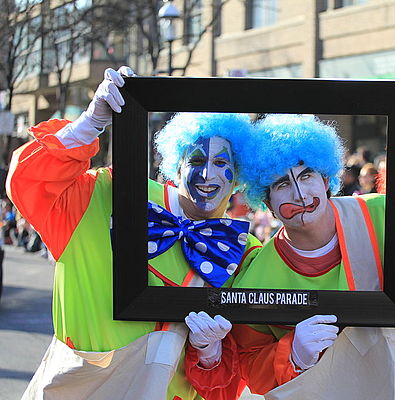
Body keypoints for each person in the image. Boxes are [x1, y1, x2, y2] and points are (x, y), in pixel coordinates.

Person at [6, 67, 262, 400]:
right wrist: (87, 126)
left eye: (222, 162)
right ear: (176, 163)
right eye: (196, 158)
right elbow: (28, 183)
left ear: (239, 174)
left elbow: (233, 379)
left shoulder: (244, 253)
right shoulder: (108, 193)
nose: (207, 173)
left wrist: (210, 355)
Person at [184, 114, 395, 400]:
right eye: (282, 183)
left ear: (325, 180)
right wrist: (293, 354)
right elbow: (254, 368)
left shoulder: (384, 216)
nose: (299, 194)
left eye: (306, 175)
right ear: (267, 202)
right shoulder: (256, 277)